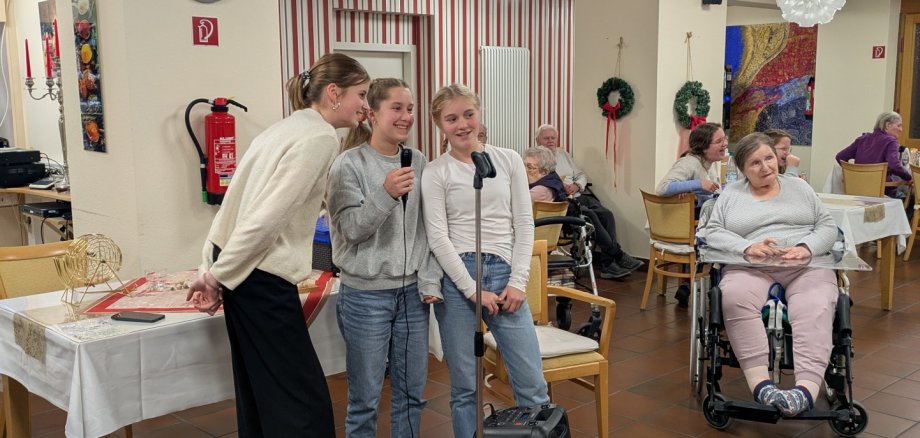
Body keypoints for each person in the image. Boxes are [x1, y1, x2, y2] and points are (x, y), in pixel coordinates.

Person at [186, 53, 370, 437]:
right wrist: (217, 276)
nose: (365, 106)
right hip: (261, 274)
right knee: (302, 401)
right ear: (334, 93)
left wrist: (212, 267)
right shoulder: (320, 137)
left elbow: (232, 206)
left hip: (238, 267)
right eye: (362, 94)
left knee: (258, 389)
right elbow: (266, 218)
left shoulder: (282, 128)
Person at [422, 84, 549, 438]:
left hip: (505, 276)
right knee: (466, 389)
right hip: (458, 279)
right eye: (451, 118)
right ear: (439, 124)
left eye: (468, 114)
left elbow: (524, 223)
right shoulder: (436, 172)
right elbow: (438, 237)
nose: (462, 124)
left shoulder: (508, 160)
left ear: (479, 114)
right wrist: (471, 289)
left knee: (532, 384)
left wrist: (518, 282)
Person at [327, 78, 443, 438]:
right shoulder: (348, 165)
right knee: (365, 400)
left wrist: (428, 279)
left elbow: (428, 230)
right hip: (365, 298)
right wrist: (386, 194)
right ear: (372, 113)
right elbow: (350, 230)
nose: (406, 116)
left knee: (411, 395)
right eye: (396, 108)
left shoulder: (418, 161)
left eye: (410, 108)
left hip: (412, 296)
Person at [701, 132, 839, 417]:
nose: (765, 167)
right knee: (734, 296)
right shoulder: (731, 195)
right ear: (743, 169)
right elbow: (711, 231)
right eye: (755, 163)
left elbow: (827, 226)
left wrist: (806, 247)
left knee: (816, 303)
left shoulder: (800, 188)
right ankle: (762, 386)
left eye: (769, 158)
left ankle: (805, 391)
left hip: (803, 267)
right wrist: (747, 246)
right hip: (751, 267)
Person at [535, 124, 642, 279]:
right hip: (561, 201)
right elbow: (542, 182)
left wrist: (577, 185)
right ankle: (615, 256)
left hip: (577, 194)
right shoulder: (535, 159)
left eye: (553, 138)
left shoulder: (563, 154)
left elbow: (581, 174)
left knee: (607, 214)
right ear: (537, 140)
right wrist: (561, 186)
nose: (550, 141)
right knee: (590, 215)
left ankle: (608, 264)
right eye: (546, 138)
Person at [655, 122, 727, 305]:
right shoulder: (689, 163)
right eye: (719, 141)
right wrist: (697, 185)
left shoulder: (710, 164)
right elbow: (662, 188)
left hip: (692, 224)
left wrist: (693, 192)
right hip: (679, 228)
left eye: (724, 139)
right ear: (703, 146)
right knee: (723, 235)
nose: (725, 144)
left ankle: (691, 284)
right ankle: (716, 287)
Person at [835, 111, 912, 197]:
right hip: (882, 193)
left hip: (858, 191)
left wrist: (853, 174)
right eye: (899, 126)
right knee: (906, 195)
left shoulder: (862, 139)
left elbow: (840, 157)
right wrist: (908, 177)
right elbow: (894, 165)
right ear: (887, 125)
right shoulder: (891, 141)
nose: (901, 130)